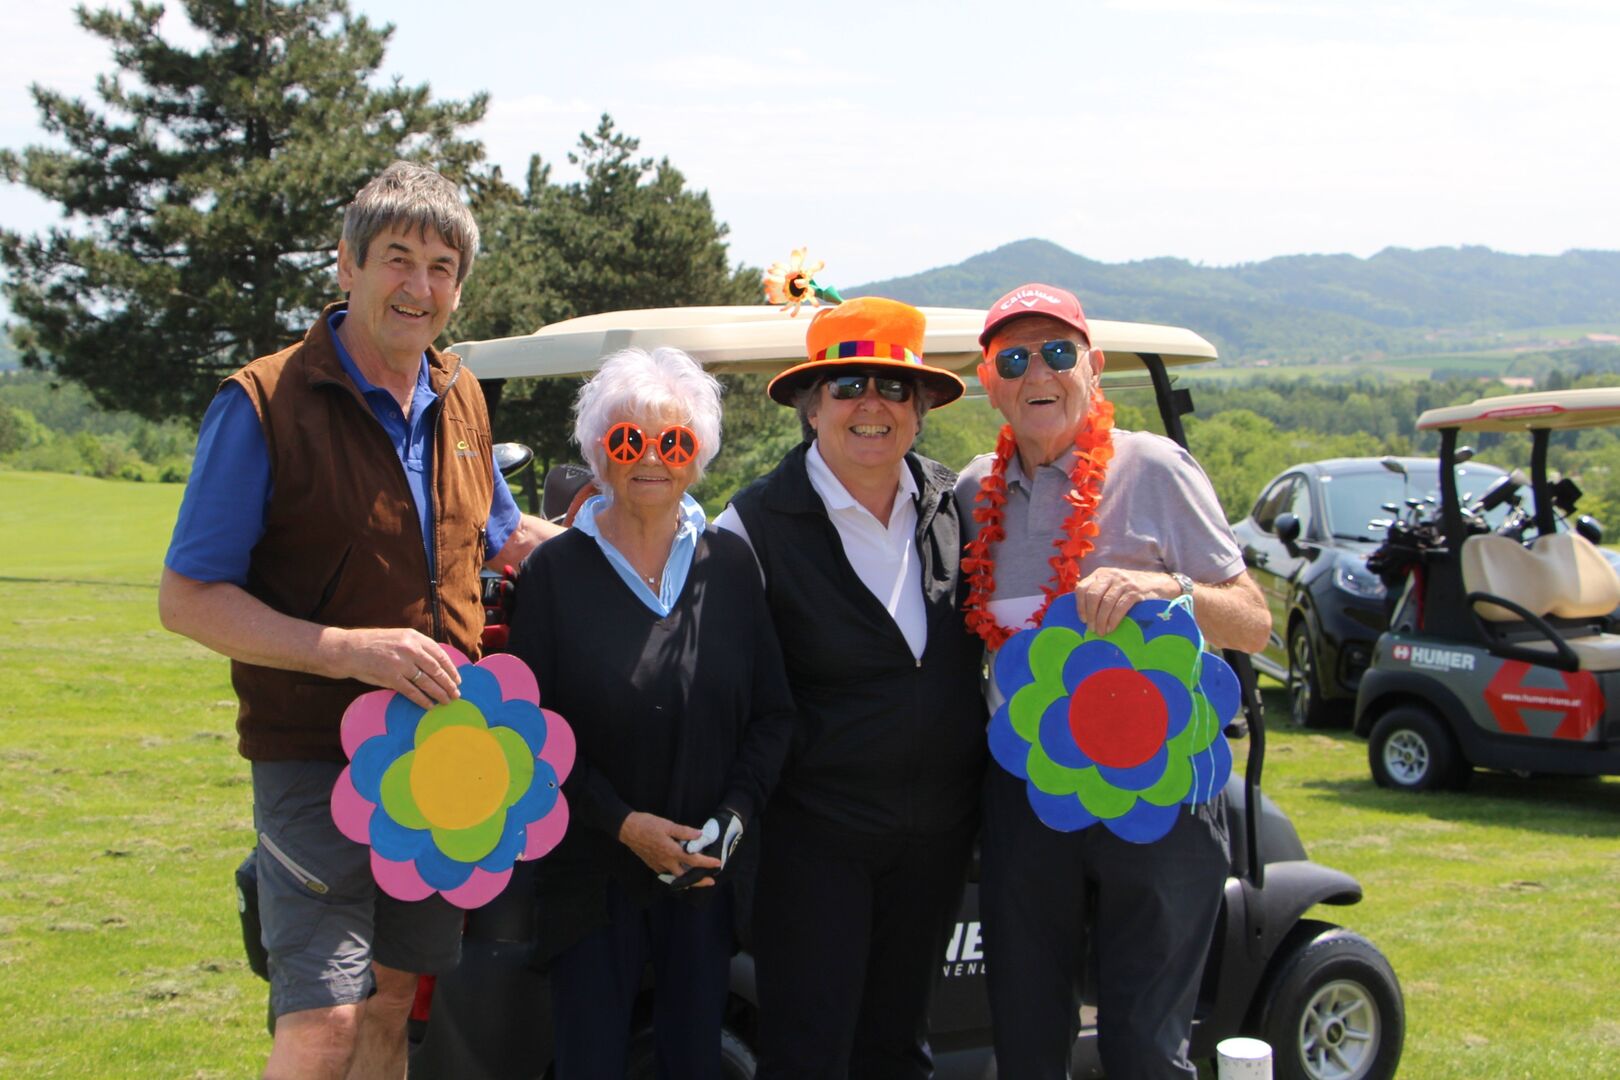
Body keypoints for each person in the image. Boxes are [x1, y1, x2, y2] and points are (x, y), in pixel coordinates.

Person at [158, 161, 557, 1080]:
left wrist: (638, 548)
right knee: (324, 1021)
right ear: (347, 265)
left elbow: (504, 536)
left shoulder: (461, 397)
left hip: (444, 755)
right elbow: (187, 596)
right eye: (398, 259)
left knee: (392, 1001)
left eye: (442, 267)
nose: (419, 286)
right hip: (311, 756)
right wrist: (344, 651)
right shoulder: (264, 402)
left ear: (459, 287)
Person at [957, 283, 1270, 1079]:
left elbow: (1253, 622)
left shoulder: (1156, 469)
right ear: (989, 382)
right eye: (1014, 359)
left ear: (1093, 368)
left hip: (1158, 795)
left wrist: (1166, 588)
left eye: (1058, 353)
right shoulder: (970, 495)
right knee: (1026, 1036)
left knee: (1143, 1048)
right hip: (1028, 792)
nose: (1038, 372)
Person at [715, 297, 988, 1079]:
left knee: (898, 1049)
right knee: (809, 1054)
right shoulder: (751, 526)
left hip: (935, 843)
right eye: (848, 387)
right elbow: (717, 686)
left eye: (894, 388)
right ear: (811, 407)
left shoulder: (955, 508)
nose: (873, 405)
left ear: (920, 409)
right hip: (812, 849)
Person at [506, 346, 797, 1080]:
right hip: (591, 877)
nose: (651, 458)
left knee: (694, 1061)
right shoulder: (553, 573)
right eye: (628, 439)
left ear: (697, 457)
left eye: (674, 441)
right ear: (600, 453)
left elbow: (772, 716)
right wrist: (623, 825)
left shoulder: (731, 566)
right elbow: (529, 733)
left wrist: (731, 821)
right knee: (590, 1062)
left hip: (703, 876)